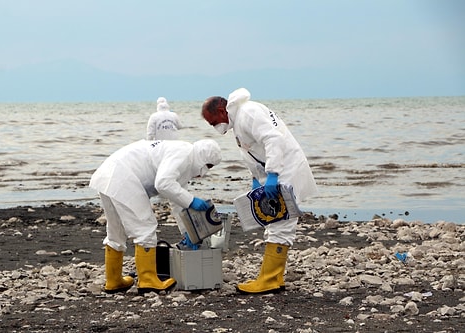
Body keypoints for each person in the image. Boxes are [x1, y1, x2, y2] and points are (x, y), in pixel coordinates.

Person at [201, 87, 318, 294]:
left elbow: (273, 140)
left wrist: (272, 174)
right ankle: (274, 278)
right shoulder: (238, 121)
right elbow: (252, 152)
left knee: (281, 223)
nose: (215, 127)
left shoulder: (248, 113)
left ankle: (270, 280)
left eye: (213, 122)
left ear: (221, 110)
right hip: (276, 171)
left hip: (286, 169)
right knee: (275, 221)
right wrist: (256, 178)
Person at [89, 139, 222, 294]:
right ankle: (147, 280)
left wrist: (187, 232)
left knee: (116, 231)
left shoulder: (183, 156)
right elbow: (163, 184)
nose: (205, 172)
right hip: (123, 177)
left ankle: (113, 281)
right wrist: (191, 200)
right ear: (203, 158)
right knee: (145, 227)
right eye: (209, 166)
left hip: (110, 174)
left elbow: (177, 201)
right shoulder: (183, 155)